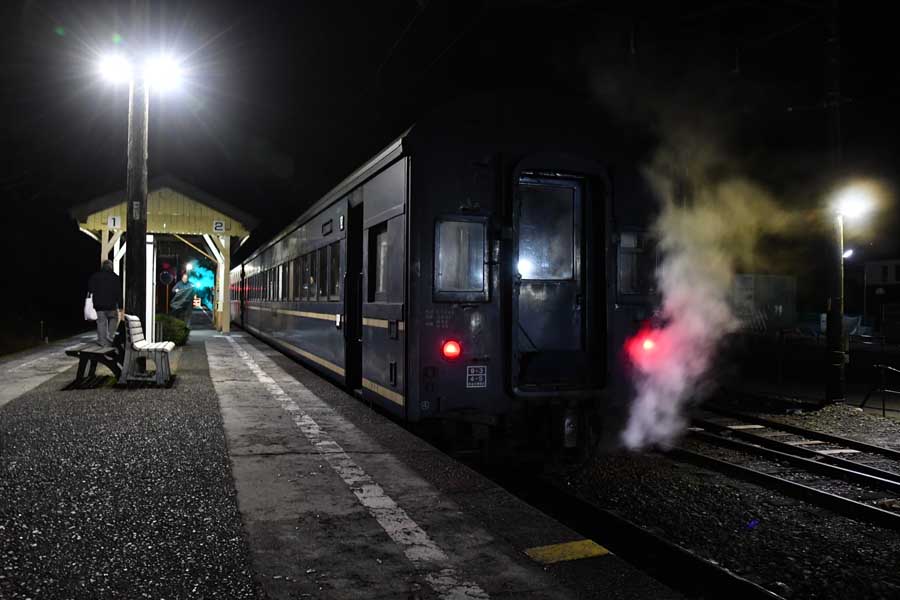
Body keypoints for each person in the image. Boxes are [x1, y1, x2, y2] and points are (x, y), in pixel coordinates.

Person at [87, 259, 123, 347]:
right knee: (113, 320)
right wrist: (121, 305)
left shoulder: (95, 276)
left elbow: (90, 290)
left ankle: (103, 342)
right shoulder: (115, 277)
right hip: (112, 306)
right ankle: (111, 338)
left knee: (101, 323)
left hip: (99, 306)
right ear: (111, 267)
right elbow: (118, 292)